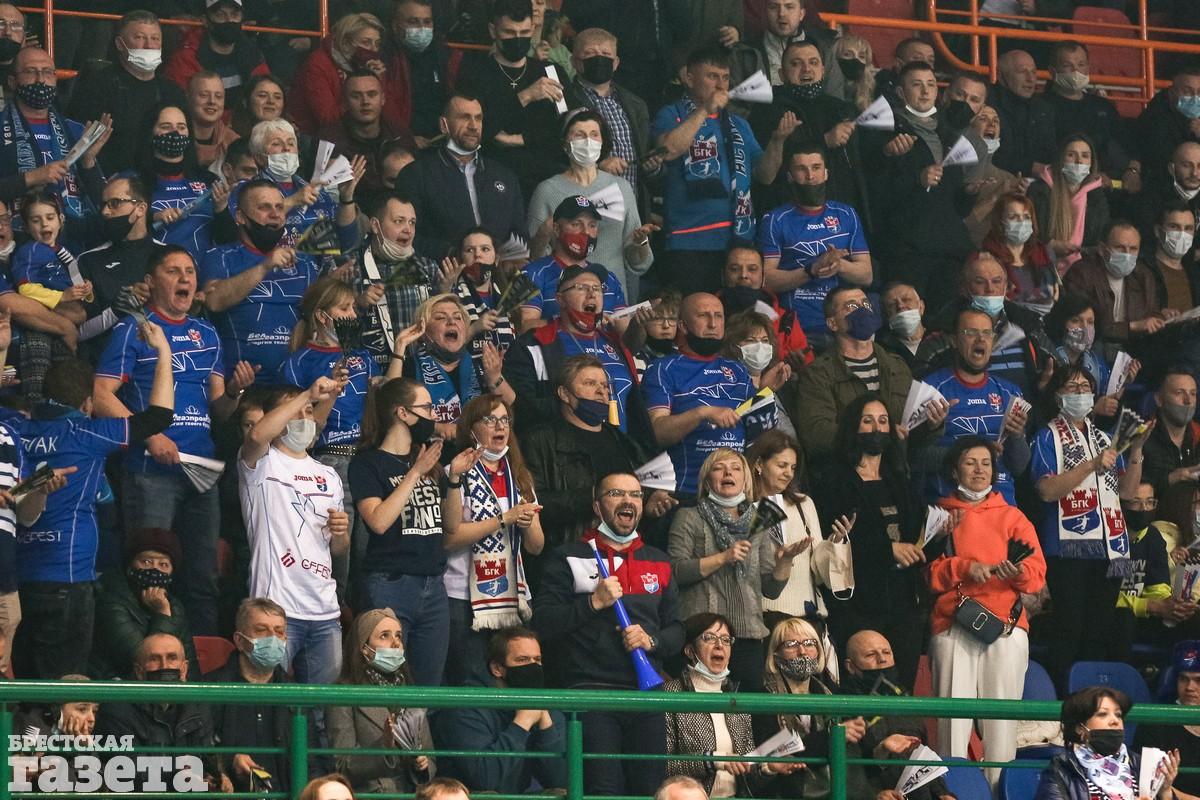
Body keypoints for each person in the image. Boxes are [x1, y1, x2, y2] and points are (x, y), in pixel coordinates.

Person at [95, 245, 248, 636]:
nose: (184, 278)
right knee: (148, 576)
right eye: (173, 271)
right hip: (150, 472)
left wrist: (234, 393)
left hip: (201, 474)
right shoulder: (134, 329)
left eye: (190, 271)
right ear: (150, 281)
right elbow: (101, 395)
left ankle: (202, 661)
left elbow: (220, 410)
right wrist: (150, 437)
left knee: (203, 578)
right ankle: (144, 656)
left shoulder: (207, 333)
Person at [533, 471, 684, 796]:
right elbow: (543, 623)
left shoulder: (659, 560)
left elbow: (677, 630)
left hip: (647, 695)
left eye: (636, 494)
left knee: (651, 790)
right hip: (591, 693)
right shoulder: (568, 556)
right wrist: (593, 603)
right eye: (616, 493)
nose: (628, 500)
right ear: (597, 506)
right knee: (603, 790)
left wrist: (652, 641)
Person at [281, 276, 407, 599]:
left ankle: (365, 614)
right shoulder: (299, 362)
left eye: (353, 307)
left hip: (366, 458)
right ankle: (332, 611)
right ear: (323, 316)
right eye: (345, 308)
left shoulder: (361, 356)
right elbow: (299, 429)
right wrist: (332, 388)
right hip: (327, 460)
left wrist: (399, 350)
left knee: (368, 550)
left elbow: (387, 399)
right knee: (337, 552)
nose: (353, 314)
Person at [929, 437, 1046, 783]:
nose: (979, 470)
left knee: (1001, 726)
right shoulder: (939, 514)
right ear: (954, 471)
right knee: (952, 725)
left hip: (1006, 627)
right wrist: (965, 567)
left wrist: (1017, 573)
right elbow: (927, 574)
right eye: (970, 462)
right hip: (953, 624)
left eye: (986, 463)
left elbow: (1036, 575)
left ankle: (998, 792)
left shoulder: (1013, 516)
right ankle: (954, 791)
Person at [349, 377, 478, 687]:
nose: (434, 416)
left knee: (428, 684)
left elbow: (450, 525)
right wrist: (415, 473)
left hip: (434, 584)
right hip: (391, 582)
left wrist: (454, 478)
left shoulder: (430, 459)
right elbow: (378, 521)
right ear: (403, 413)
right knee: (385, 680)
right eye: (427, 408)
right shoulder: (368, 464)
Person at [1032, 364, 1151, 689]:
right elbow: (1046, 490)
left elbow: (1127, 493)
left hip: (1111, 548)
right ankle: (1062, 702)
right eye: (1072, 387)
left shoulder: (1105, 438)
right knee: (1069, 631)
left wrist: (1136, 449)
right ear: (1057, 396)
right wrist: (1091, 465)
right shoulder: (1046, 436)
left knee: (1099, 633)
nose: (1081, 392)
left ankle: (1090, 700)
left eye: (1086, 387)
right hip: (1068, 548)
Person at [239, 379, 350, 686]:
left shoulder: (329, 475)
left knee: (320, 707)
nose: (304, 418)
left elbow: (338, 549)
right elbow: (257, 434)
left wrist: (341, 533)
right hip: (275, 608)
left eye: (309, 412)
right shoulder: (262, 462)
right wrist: (307, 395)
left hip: (324, 609)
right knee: (270, 702)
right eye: (294, 412)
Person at [813, 394, 928, 690]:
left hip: (903, 600)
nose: (877, 428)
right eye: (868, 421)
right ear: (853, 426)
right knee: (862, 685)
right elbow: (835, 539)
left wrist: (937, 534)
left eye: (883, 421)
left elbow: (916, 535)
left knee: (901, 685)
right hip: (858, 601)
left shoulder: (899, 478)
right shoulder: (833, 479)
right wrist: (888, 551)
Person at [669, 448, 807, 690]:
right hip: (702, 634)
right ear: (707, 481)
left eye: (735, 468)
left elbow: (771, 589)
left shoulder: (759, 519)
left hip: (748, 637)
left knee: (748, 708)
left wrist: (785, 561)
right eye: (718, 468)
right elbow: (675, 572)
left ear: (746, 479)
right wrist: (723, 557)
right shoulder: (689, 516)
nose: (728, 473)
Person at [653, 45, 785, 292]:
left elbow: (765, 176)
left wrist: (778, 141)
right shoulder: (672, 114)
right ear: (689, 78)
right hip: (690, 241)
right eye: (712, 76)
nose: (721, 85)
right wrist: (705, 110)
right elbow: (668, 150)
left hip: (738, 241)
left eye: (725, 78)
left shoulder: (739, 124)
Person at [523, 355, 671, 562]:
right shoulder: (539, 440)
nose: (602, 391)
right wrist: (595, 496)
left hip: (624, 555)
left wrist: (649, 502)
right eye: (590, 383)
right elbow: (535, 505)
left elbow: (640, 492)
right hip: (570, 556)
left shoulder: (622, 440)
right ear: (565, 394)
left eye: (604, 385)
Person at [443, 395, 545, 686]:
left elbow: (536, 546)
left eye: (505, 420)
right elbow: (449, 539)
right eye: (490, 420)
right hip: (463, 598)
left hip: (512, 595)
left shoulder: (520, 477)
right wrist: (503, 519)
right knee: (470, 681)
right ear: (471, 428)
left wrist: (526, 522)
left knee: (511, 682)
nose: (500, 426)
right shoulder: (455, 473)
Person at [860, 61, 973, 306]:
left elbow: (957, 206)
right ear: (901, 92)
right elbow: (874, 192)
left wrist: (969, 193)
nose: (925, 91)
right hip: (906, 250)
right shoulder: (883, 129)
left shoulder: (949, 133)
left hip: (949, 249)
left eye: (930, 84)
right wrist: (915, 178)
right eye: (917, 84)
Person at [746, 430, 853, 674]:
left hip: (809, 617)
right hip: (767, 619)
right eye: (782, 465)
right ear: (759, 464)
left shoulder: (804, 503)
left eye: (793, 467)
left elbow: (817, 566)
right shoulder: (744, 505)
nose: (789, 473)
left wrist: (835, 543)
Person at [504, 265, 650, 440]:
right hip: (566, 450)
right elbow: (523, 408)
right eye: (581, 288)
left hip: (620, 449)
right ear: (560, 299)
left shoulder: (615, 343)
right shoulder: (534, 344)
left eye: (597, 288)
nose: (592, 294)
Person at [455, 0, 582, 198]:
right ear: (493, 30)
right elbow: (475, 131)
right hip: (491, 180)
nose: (517, 39)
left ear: (532, 28)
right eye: (509, 32)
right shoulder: (475, 73)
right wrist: (525, 96)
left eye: (524, 32)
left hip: (547, 180)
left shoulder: (551, 72)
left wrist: (522, 139)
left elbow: (569, 129)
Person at [201, 179, 322, 381]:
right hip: (240, 386)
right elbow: (213, 301)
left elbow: (320, 317)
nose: (275, 214)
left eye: (279, 207)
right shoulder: (220, 256)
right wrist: (265, 266)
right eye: (264, 208)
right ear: (241, 216)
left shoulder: (304, 263)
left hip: (293, 385)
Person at [642, 292, 762, 496]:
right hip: (687, 493)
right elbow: (657, 432)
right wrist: (702, 413)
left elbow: (757, 428)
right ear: (683, 326)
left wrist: (768, 390)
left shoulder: (738, 370)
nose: (713, 324)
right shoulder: (662, 368)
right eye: (703, 316)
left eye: (718, 316)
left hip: (737, 492)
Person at [665, 613, 797, 796]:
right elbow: (661, 764)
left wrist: (768, 767)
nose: (719, 645)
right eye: (709, 638)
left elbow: (747, 772)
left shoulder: (736, 698)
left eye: (726, 640)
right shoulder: (670, 695)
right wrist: (713, 760)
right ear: (689, 650)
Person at [526, 111, 654, 300]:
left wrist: (640, 243)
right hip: (566, 301)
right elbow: (535, 261)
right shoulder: (546, 191)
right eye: (579, 135)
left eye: (594, 134)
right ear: (564, 143)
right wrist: (544, 234)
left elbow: (638, 263)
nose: (588, 141)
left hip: (613, 298)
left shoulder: (621, 187)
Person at [760, 142, 872, 350]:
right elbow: (766, 280)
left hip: (846, 326)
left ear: (826, 173)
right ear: (790, 176)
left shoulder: (847, 214)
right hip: (800, 329)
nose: (810, 176)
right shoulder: (775, 219)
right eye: (801, 169)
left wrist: (838, 265)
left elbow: (867, 275)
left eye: (816, 167)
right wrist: (812, 270)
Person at [795, 287, 922, 464]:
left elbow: (913, 434)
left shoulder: (896, 365)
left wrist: (933, 425)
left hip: (895, 471)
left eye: (865, 304)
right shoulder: (818, 373)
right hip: (845, 472)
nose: (862, 310)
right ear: (832, 323)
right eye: (851, 306)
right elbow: (816, 434)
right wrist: (873, 435)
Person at [431, 627, 568, 791]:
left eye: (537, 660)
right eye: (522, 660)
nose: (532, 666)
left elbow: (562, 781)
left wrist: (546, 727)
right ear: (497, 668)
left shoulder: (545, 708)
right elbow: (485, 779)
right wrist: (522, 723)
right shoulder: (464, 708)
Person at [396, 93, 527, 262]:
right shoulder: (416, 175)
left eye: (478, 118)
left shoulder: (505, 175)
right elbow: (407, 236)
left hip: (498, 272)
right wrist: (453, 253)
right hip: (441, 270)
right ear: (444, 125)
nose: (473, 126)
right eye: (464, 118)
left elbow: (520, 235)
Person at [919, 307, 1030, 505]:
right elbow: (917, 459)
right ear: (954, 340)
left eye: (987, 333)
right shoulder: (931, 389)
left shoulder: (1010, 392)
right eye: (971, 332)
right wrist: (970, 452)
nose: (981, 339)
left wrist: (1017, 436)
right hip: (951, 509)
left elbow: (1019, 466)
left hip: (1001, 507)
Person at [748, 40, 868, 220]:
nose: (806, 69)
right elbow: (764, 171)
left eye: (813, 63)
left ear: (823, 70)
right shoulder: (766, 110)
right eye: (796, 64)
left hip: (841, 214)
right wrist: (825, 141)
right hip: (789, 216)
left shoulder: (842, 109)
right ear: (781, 74)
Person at [95, 633, 226, 792]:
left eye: (172, 658)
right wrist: (178, 775)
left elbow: (206, 759)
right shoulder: (117, 709)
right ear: (139, 671)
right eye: (154, 659)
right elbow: (126, 773)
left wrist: (216, 778)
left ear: (184, 669)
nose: (164, 666)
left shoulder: (198, 706)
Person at [753, 616, 866, 799]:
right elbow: (778, 750)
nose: (802, 651)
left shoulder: (829, 693)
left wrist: (881, 748)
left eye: (809, 643)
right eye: (791, 644)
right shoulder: (763, 696)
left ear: (819, 651)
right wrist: (833, 737)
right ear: (776, 654)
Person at [1, 47, 109, 231]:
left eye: (47, 72)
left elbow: (102, 198)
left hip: (74, 234)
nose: (40, 80)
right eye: (30, 72)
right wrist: (32, 177)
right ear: (12, 81)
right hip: (18, 234)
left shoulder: (75, 130)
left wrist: (88, 162)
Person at [327, 608, 434, 793]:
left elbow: (430, 759)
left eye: (398, 636)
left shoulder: (410, 693)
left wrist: (422, 765)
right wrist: (384, 747)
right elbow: (341, 766)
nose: (396, 643)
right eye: (384, 636)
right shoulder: (343, 695)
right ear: (364, 648)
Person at [67, 10, 186, 175]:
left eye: (155, 38)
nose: (149, 45)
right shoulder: (97, 85)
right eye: (139, 37)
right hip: (109, 179)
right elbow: (79, 142)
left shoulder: (173, 91)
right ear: (119, 44)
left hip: (160, 179)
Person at [209, 598, 302, 795]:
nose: (273, 638)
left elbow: (312, 760)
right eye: (261, 630)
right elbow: (196, 751)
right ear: (239, 640)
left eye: (279, 631)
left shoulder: (296, 694)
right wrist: (229, 761)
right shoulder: (210, 689)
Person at [226, 119, 361, 255]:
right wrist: (293, 201)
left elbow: (347, 243)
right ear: (259, 158)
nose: (286, 148)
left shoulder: (316, 192)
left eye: (291, 143)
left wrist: (346, 199)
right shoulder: (245, 191)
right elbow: (240, 236)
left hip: (322, 266)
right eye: (276, 144)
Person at [1035, 686, 1181, 800]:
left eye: (1118, 714)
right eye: (1103, 714)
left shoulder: (1139, 765)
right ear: (1080, 728)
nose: (1115, 721)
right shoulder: (1062, 770)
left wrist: (1165, 792)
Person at [89, 528, 196, 680]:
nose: (155, 569)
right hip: (116, 687)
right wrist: (163, 615)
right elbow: (142, 660)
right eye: (146, 562)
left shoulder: (175, 606)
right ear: (129, 566)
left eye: (164, 564)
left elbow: (191, 668)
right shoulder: (110, 600)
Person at [138, 103, 234, 262]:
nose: (175, 133)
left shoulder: (209, 180)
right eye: (166, 127)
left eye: (181, 127)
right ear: (150, 132)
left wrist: (221, 209)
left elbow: (229, 241)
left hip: (206, 269)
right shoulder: (134, 181)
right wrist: (153, 217)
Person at [570, 28, 655, 207]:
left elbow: (646, 154)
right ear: (575, 62)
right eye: (590, 54)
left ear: (616, 63)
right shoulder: (564, 101)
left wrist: (653, 166)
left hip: (631, 205)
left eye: (606, 54)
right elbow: (552, 156)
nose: (599, 59)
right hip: (584, 207)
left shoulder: (636, 104)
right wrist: (596, 165)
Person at [406, 293, 513, 435]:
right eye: (440, 318)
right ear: (423, 331)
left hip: (479, 443)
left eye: (458, 317)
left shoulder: (479, 363)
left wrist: (494, 378)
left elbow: (510, 405)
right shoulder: (411, 367)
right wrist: (436, 427)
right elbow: (397, 413)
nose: (452, 322)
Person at [289, 13, 408, 136]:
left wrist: (377, 81)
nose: (373, 49)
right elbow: (328, 120)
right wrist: (357, 86)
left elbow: (394, 120)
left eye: (377, 44)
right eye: (366, 42)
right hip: (314, 137)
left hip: (360, 136)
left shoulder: (369, 66)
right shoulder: (318, 64)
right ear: (345, 43)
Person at [77, 176, 159, 354]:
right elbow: (78, 333)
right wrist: (117, 309)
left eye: (114, 203)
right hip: (111, 358)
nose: (105, 212)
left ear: (140, 208)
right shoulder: (86, 261)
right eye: (104, 205)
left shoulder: (170, 256)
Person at [521, 195, 628, 329]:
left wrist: (640, 326)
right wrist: (576, 321)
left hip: (605, 343)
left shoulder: (609, 278)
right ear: (557, 229)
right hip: (556, 343)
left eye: (592, 225)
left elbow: (626, 335)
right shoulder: (532, 273)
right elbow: (524, 327)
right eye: (576, 224)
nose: (586, 232)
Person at [1063, 220, 1163, 364]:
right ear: (1102, 249)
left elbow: (1152, 312)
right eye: (1120, 248)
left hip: (1134, 346)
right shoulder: (1082, 273)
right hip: (1097, 344)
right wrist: (1132, 326)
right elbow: (1086, 326)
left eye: (1133, 249)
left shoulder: (1144, 275)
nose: (1127, 254)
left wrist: (1160, 319)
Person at [1042, 41, 1138, 188]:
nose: (1076, 71)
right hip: (1059, 185)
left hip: (1108, 185)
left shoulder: (1103, 106)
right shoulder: (1040, 106)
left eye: (1081, 65)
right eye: (1067, 66)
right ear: (1052, 71)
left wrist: (1133, 171)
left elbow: (1127, 146)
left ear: (1088, 67)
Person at [357, 192, 439, 357]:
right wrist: (359, 305)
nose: (408, 230)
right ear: (375, 225)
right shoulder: (352, 268)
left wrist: (444, 290)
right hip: (374, 367)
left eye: (412, 222)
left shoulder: (428, 267)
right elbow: (331, 332)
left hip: (423, 365)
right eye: (399, 221)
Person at [318, 71, 411, 199]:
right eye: (356, 96)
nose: (365, 102)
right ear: (344, 102)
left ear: (383, 99)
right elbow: (321, 194)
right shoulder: (328, 141)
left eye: (372, 94)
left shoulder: (399, 134)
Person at [163, 0, 269, 111]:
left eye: (234, 15)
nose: (229, 20)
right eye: (220, 15)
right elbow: (177, 105)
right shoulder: (185, 59)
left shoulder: (253, 55)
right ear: (205, 20)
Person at [1026, 134, 1110, 274]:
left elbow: (1099, 239)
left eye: (1085, 156)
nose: (1079, 161)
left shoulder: (1096, 195)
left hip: (1083, 272)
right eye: (1071, 155)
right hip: (1040, 269)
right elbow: (1028, 236)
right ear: (1060, 160)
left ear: (1092, 162)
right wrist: (1050, 246)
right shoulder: (1039, 190)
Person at [390, 0, 462, 148]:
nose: (422, 28)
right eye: (413, 21)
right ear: (395, 26)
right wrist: (406, 139)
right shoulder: (387, 59)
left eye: (427, 22)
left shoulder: (447, 57)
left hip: (445, 142)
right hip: (401, 145)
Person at [1135, 642, 1200, 798]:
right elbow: (1149, 787)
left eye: (1199, 680)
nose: (1190, 687)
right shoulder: (1154, 724)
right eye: (1183, 679)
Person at [981, 191, 1058, 313]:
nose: (1022, 222)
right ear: (1000, 222)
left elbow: (1056, 294)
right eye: (1013, 217)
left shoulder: (1044, 253)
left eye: (1026, 217)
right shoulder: (986, 259)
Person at [749, 0, 841, 92]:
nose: (781, 14)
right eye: (774, 7)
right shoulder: (747, 52)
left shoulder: (823, 50)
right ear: (765, 12)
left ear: (801, 14)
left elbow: (836, 97)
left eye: (789, 7)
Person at [990, 49, 1055, 177]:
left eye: (1033, 72)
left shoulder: (1043, 108)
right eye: (1022, 72)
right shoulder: (987, 104)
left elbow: (1050, 152)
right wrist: (1029, 167)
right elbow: (987, 155)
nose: (1030, 79)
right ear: (1000, 75)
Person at [1136, 64, 1200, 191]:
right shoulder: (1155, 118)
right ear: (1172, 93)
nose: (1195, 98)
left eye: (1199, 92)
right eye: (1187, 92)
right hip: (1164, 188)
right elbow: (1161, 163)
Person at [1142, 368, 1199, 506]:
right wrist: (1172, 478)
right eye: (1179, 393)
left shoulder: (1198, 434)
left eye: (1193, 394)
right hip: (1155, 515)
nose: (1188, 401)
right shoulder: (1142, 437)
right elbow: (1131, 493)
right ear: (1159, 399)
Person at [878, 281, 937, 370]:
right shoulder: (881, 351)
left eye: (906, 300)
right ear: (886, 315)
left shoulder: (942, 339)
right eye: (892, 305)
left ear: (921, 307)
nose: (900, 306)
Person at [187, 71, 239, 171]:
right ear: (188, 97)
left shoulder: (233, 143)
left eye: (218, 96)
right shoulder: (175, 138)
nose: (212, 101)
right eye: (204, 95)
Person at [833, 34, 878, 113]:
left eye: (861, 56)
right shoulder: (828, 88)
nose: (856, 60)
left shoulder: (873, 91)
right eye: (848, 54)